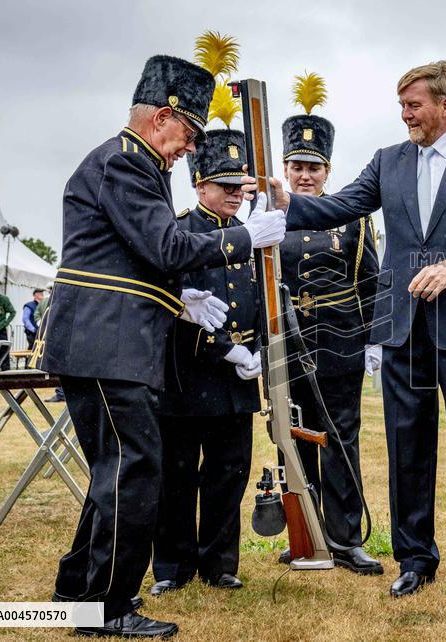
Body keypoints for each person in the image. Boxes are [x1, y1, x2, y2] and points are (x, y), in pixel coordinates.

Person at [32, 55, 286, 639]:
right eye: (188, 135)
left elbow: (139, 259)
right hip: (108, 345)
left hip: (107, 344)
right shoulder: (126, 165)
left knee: (115, 472)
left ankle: (76, 591)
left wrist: (183, 298)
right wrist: (247, 237)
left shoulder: (129, 164)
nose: (185, 149)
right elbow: (166, 246)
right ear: (164, 117)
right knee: (134, 472)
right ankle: (107, 607)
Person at [249, 60, 446, 598]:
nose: (405, 116)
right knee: (406, 443)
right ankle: (414, 557)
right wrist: (289, 203)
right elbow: (344, 204)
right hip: (402, 328)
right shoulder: (388, 161)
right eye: (401, 106)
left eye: (414, 106)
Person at [273, 73, 382, 575]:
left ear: (327, 170)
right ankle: (304, 534)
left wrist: (373, 341)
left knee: (340, 437)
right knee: (291, 436)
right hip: (286, 343)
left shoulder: (354, 218)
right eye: (296, 166)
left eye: (313, 168)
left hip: (340, 343)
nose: (304, 176)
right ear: (285, 168)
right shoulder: (268, 217)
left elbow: (370, 282)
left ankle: (345, 537)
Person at [151, 128, 262, 596]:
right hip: (188, 376)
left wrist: (259, 350)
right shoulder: (178, 231)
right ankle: (173, 567)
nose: (236, 194)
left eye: (240, 186)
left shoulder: (254, 234)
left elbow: (262, 297)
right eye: (225, 186)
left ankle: (219, 563)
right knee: (177, 475)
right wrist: (224, 349)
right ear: (200, 186)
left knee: (229, 473)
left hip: (239, 379)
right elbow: (168, 309)